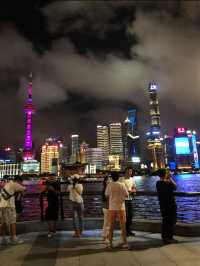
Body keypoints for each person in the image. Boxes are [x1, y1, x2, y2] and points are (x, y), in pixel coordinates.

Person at [105, 171, 129, 249]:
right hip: (121, 207)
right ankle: (125, 243)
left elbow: (107, 195)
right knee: (123, 226)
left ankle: (110, 243)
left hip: (112, 207)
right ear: (118, 177)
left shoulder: (109, 185)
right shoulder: (122, 185)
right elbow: (127, 195)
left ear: (111, 178)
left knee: (111, 226)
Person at [0, 175, 26, 245]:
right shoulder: (14, 184)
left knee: (3, 222)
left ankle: (2, 238)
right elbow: (24, 189)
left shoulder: (7, 184)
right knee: (12, 222)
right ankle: (13, 238)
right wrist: (21, 189)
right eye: (21, 182)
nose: (21, 183)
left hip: (2, 206)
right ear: (18, 181)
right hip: (9, 206)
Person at [156, 168, 177, 244]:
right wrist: (170, 178)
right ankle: (169, 238)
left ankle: (165, 237)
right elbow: (175, 187)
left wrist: (168, 178)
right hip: (170, 204)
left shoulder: (158, 183)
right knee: (171, 221)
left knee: (165, 221)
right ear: (165, 174)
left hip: (163, 205)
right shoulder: (167, 182)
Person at [120, 167, 136, 236]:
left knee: (130, 215)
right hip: (123, 200)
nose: (130, 173)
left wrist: (133, 190)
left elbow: (134, 188)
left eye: (131, 171)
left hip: (130, 199)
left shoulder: (132, 179)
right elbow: (119, 189)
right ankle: (125, 231)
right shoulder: (121, 179)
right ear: (125, 172)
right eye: (129, 171)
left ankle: (129, 230)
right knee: (125, 216)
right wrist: (128, 191)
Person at [102, 175, 110, 241]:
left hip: (106, 207)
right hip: (107, 207)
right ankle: (105, 236)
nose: (109, 181)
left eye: (110, 179)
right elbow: (107, 199)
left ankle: (105, 236)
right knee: (107, 222)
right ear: (105, 181)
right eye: (108, 180)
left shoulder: (105, 188)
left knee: (107, 222)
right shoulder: (106, 189)